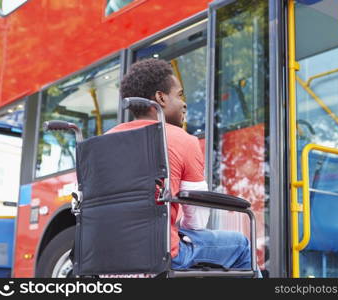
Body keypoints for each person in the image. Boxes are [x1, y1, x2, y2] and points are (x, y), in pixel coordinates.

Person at [107, 58, 258, 275]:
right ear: (160, 97)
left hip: (106, 258)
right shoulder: (182, 139)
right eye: (179, 95)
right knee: (241, 245)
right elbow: (196, 221)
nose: (184, 103)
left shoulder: (105, 141)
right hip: (161, 254)